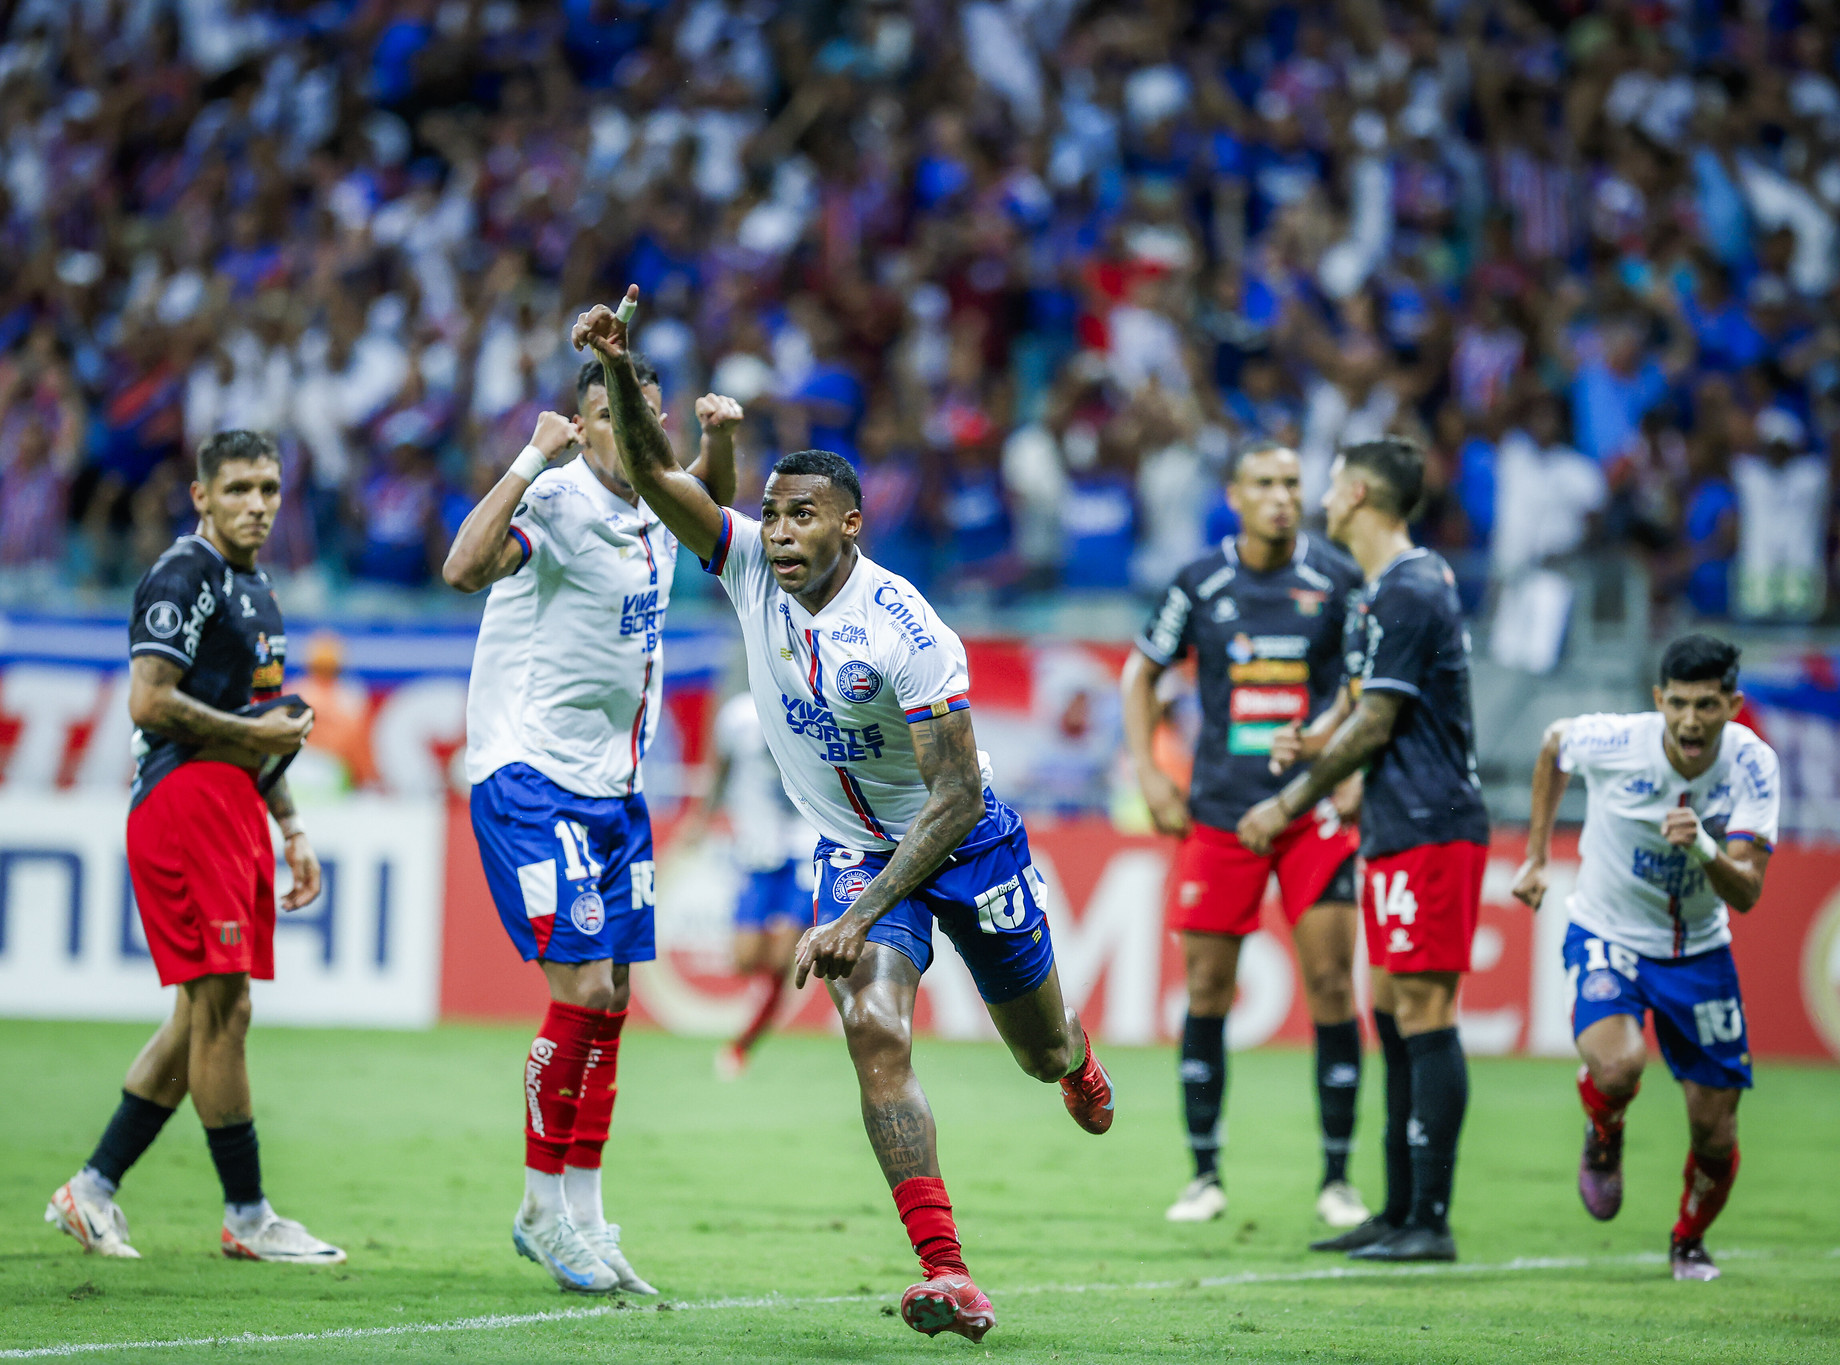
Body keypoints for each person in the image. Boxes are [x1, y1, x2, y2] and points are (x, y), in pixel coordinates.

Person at [576, 286, 1115, 1344]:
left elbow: (955, 797)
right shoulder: (745, 569)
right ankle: (948, 1271)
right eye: (772, 514)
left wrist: (856, 913)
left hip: (965, 843)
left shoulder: (907, 628)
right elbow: (651, 474)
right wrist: (619, 365)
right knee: (873, 1029)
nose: (778, 533)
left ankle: (1077, 1061)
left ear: (850, 526)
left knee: (1041, 1051)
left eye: (802, 516)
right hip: (854, 848)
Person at [440, 357, 740, 1296]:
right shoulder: (559, 499)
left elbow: (713, 501)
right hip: (532, 776)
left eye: (645, 418)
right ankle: (539, 1206)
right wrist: (529, 459)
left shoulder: (659, 499)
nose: (629, 435)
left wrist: (719, 439)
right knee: (583, 985)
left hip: (618, 786)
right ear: (581, 424)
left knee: (612, 999)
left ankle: (585, 1212)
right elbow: (461, 569)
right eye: (609, 417)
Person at [45, 430, 343, 1265]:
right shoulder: (185, 574)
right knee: (223, 1009)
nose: (258, 504)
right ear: (201, 496)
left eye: (270, 488)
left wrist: (292, 827)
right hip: (184, 799)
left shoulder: (259, 591)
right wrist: (253, 734)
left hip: (235, 804)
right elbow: (149, 701)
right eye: (239, 488)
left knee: (203, 1014)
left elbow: (260, 730)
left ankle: (92, 1188)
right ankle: (247, 1215)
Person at [1237, 436, 1489, 1263]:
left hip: (1431, 824)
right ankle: (1399, 1207)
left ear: (1357, 495)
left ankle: (1432, 1220)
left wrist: (1288, 801)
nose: (1320, 498)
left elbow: (1378, 722)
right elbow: (1361, 704)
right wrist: (1317, 738)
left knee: (1426, 1010)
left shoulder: (1411, 587)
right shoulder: (1385, 589)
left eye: (1332, 483)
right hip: (1394, 822)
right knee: (1390, 1007)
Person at [1121, 442, 1369, 1229]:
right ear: (1234, 495)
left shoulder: (1338, 578)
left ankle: (1337, 1178)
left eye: (1292, 483)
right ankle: (1204, 1174)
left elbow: (1367, 685)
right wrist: (1151, 775)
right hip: (1221, 810)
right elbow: (1140, 674)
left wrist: (1355, 768)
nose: (1281, 497)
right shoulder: (1201, 581)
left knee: (1332, 984)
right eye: (1264, 483)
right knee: (1206, 988)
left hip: (1312, 809)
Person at [1510, 635, 1776, 1282]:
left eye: (1706, 705)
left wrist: (1705, 848)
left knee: (1715, 1130)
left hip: (1700, 950)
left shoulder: (1752, 764)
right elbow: (1553, 744)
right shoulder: (1616, 740)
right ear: (1658, 699)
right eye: (1678, 703)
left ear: (1732, 704)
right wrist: (1537, 855)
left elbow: (1747, 893)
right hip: (1609, 931)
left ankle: (1689, 1241)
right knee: (1617, 1065)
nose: (1690, 720)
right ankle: (1605, 1130)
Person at [687, 690, 819, 1079]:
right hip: (756, 850)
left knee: (783, 956)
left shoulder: (813, 707)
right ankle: (759, 1010)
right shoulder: (737, 715)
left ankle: (743, 1045)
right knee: (744, 957)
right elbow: (720, 772)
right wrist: (701, 819)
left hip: (804, 847)